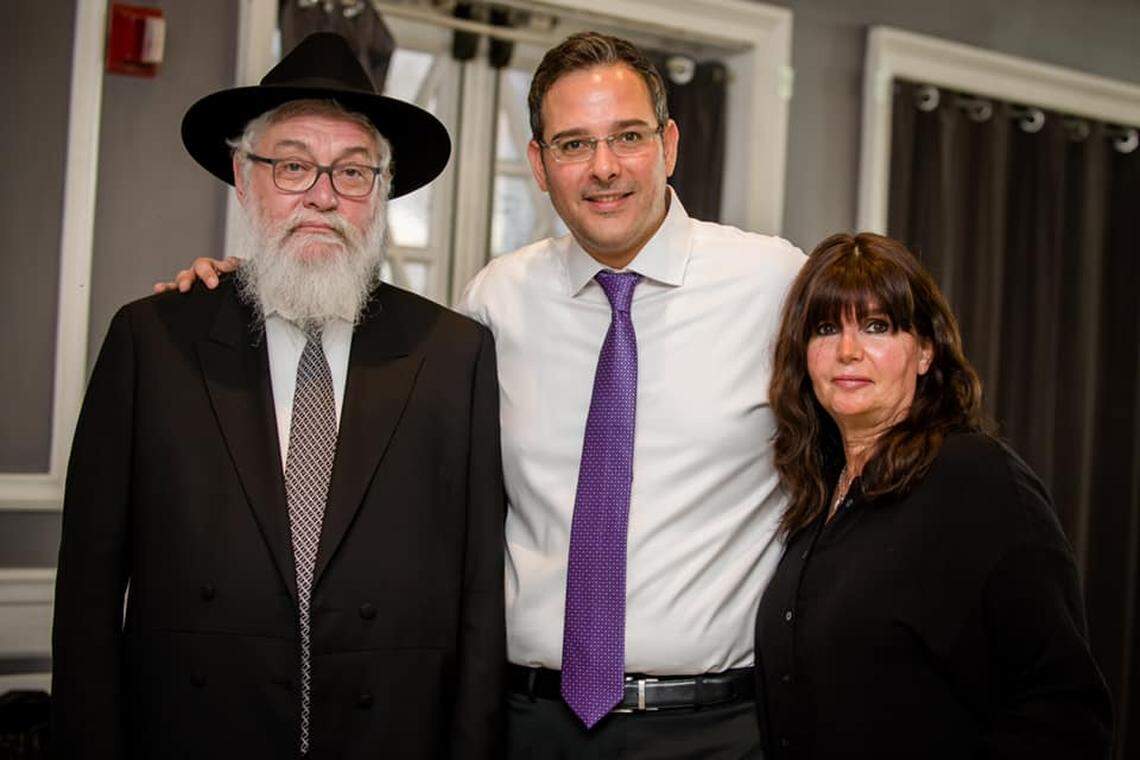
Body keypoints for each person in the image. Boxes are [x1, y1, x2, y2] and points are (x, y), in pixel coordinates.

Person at [159, 32, 804, 758]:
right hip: (528, 721)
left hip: (714, 729)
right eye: (571, 144)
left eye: (628, 137)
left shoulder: (774, 284)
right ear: (537, 163)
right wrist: (244, 292)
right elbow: (381, 387)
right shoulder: (497, 298)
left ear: (670, 143)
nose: (603, 169)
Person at [52, 32, 505, 759]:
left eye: (353, 172)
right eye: (293, 166)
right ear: (243, 174)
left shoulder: (454, 354)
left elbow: (482, 599)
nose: (322, 196)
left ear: (380, 191)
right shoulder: (153, 342)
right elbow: (86, 597)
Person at [756, 232, 1113, 758]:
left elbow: (1065, 711)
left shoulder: (978, 481)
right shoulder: (816, 495)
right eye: (827, 328)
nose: (848, 351)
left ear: (925, 350)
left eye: (877, 327)